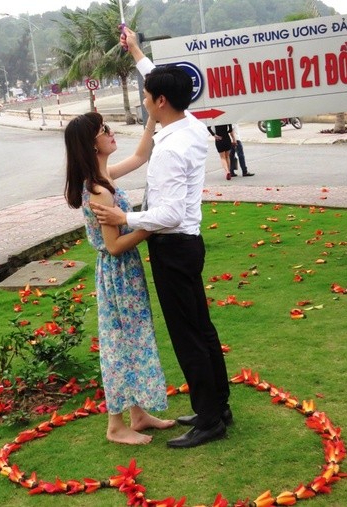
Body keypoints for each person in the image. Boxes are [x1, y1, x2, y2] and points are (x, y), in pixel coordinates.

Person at [91, 27, 232, 449]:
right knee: (201, 329)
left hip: (173, 247)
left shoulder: (170, 149)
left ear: (161, 102)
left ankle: (210, 420)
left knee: (190, 337)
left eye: (148, 97)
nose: (145, 101)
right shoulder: (186, 122)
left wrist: (123, 215)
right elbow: (157, 78)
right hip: (187, 245)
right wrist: (134, 50)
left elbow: (167, 214)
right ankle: (217, 405)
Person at [64, 111, 175, 445]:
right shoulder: (98, 191)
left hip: (123, 273)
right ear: (91, 144)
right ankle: (116, 426)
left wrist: (153, 120)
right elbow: (113, 246)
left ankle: (137, 414)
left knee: (134, 337)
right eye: (104, 131)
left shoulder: (104, 177)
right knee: (120, 344)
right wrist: (150, 224)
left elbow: (141, 155)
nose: (111, 134)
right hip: (118, 273)